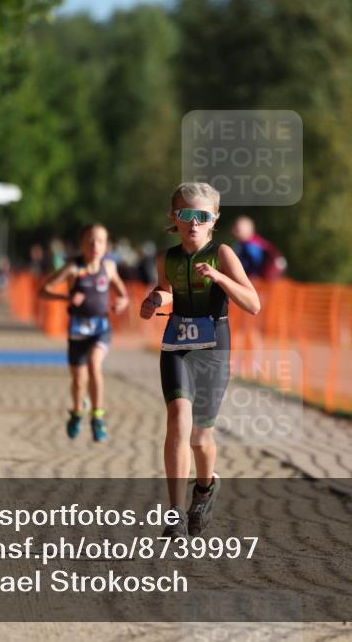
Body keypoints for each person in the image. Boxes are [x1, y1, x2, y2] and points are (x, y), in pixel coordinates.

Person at [139, 183, 260, 538]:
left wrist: (220, 277)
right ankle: (175, 513)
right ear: (174, 218)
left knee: (200, 436)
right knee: (177, 420)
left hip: (213, 349)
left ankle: (205, 488)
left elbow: (253, 304)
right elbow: (165, 288)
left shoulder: (221, 253)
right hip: (177, 345)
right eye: (186, 215)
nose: (194, 223)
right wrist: (155, 301)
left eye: (202, 216)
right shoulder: (168, 258)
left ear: (213, 220)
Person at [42, 224, 129, 442]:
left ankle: (98, 417)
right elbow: (44, 290)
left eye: (100, 241)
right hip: (78, 329)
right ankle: (77, 412)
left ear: (106, 245)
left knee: (94, 364)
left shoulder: (109, 267)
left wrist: (122, 302)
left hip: (101, 328)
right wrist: (67, 298)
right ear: (82, 244)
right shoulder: (73, 267)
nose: (95, 245)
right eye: (90, 240)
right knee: (79, 380)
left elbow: (123, 294)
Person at [231, 215, 287, 280]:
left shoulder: (251, 246)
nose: (234, 231)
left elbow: (255, 265)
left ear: (248, 230)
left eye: (237, 229)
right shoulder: (245, 244)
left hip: (261, 281)